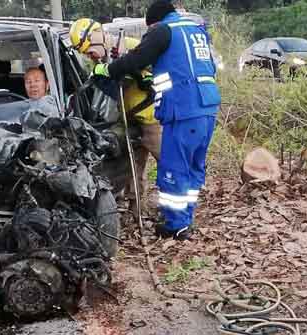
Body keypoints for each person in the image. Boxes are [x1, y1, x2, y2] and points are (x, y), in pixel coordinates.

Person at [92, 0, 220, 240]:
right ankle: (185, 217)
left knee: (174, 169)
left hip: (183, 111)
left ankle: (176, 225)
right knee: (193, 168)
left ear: (154, 22)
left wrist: (107, 71)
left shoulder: (164, 30)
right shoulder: (196, 30)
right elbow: (204, 66)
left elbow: (137, 59)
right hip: (208, 108)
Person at [70, 17, 162, 214]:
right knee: (133, 167)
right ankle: (137, 208)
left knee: (168, 161)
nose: (90, 56)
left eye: (89, 51)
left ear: (96, 36)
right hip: (128, 120)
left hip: (152, 117)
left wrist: (146, 78)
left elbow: (162, 73)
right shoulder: (101, 61)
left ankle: (178, 211)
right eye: (86, 54)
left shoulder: (132, 46)